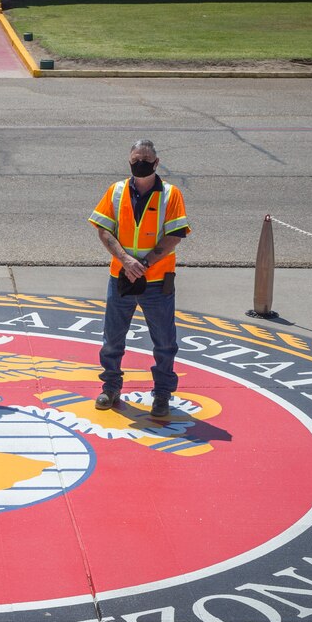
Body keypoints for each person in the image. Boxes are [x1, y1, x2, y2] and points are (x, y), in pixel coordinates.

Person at [88, 139, 190, 418]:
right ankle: (110, 387)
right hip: (121, 277)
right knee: (112, 339)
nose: (140, 162)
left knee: (164, 341)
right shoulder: (116, 191)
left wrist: (144, 263)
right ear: (129, 160)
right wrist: (126, 261)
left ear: (156, 163)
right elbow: (104, 230)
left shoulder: (170, 194)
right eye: (136, 158)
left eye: (146, 158)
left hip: (157, 280)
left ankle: (162, 394)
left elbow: (175, 236)